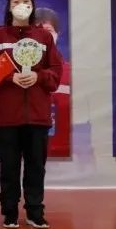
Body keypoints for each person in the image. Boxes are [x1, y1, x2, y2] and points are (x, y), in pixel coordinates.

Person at [0, 0, 62, 229]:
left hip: (37, 116)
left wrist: (38, 76)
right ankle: (9, 212)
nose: (21, 5)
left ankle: (35, 211)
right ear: (9, 6)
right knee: (9, 166)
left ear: (32, 6)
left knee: (36, 166)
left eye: (25, 0)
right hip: (7, 116)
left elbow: (55, 72)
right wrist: (9, 77)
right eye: (16, 1)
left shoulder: (44, 37)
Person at [35, 8, 72, 158]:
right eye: (37, 31)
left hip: (65, 156)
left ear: (58, 34)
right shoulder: (17, 74)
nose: (43, 36)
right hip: (29, 154)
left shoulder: (71, 73)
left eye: (48, 31)